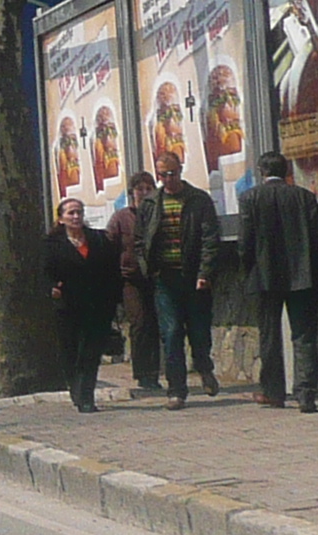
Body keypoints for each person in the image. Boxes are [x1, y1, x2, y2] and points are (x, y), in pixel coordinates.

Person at [126, 165, 222, 402]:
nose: (168, 179)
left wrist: (204, 272)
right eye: (163, 175)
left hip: (193, 277)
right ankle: (176, 390)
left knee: (199, 332)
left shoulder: (198, 199)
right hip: (164, 278)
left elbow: (210, 238)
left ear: (180, 172)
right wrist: (148, 269)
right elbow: (139, 241)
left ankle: (204, 367)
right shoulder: (150, 204)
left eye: (172, 173)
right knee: (171, 333)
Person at [244, 153, 318, 411]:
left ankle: (273, 392)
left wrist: (249, 270)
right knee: (304, 335)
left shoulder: (251, 198)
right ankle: (306, 394)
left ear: (261, 171)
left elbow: (245, 242)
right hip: (302, 275)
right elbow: (317, 238)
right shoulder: (304, 197)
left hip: (265, 275)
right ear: (287, 170)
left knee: (269, 335)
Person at [43, 198, 116, 412]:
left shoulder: (99, 240)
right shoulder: (51, 244)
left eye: (79, 212)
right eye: (71, 213)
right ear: (61, 219)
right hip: (67, 306)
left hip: (96, 305)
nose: (76, 217)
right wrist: (51, 287)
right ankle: (75, 388)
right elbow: (43, 272)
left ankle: (87, 395)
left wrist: (113, 299)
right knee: (71, 352)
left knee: (91, 352)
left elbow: (111, 270)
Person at [106, 167, 162, 393]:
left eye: (149, 188)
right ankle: (142, 373)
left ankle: (155, 373)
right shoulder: (121, 218)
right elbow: (110, 246)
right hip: (130, 279)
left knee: (155, 324)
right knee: (139, 323)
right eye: (140, 189)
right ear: (132, 192)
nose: (145, 192)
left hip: (155, 276)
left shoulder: (157, 215)